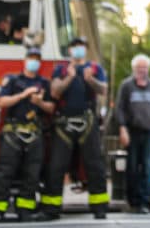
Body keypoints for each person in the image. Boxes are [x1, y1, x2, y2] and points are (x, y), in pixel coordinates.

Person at [0, 48, 55, 222]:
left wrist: (40, 102)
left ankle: (25, 209)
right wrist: (22, 95)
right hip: (13, 133)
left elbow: (51, 108)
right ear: (24, 60)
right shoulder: (12, 80)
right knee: (4, 171)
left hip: (34, 132)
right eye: (31, 58)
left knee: (32, 174)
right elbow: (1, 102)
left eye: (37, 59)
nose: (34, 61)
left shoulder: (44, 83)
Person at [44, 37, 109, 220]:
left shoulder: (95, 69)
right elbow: (54, 91)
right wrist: (70, 77)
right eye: (74, 47)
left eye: (81, 46)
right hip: (64, 123)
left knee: (95, 165)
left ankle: (99, 207)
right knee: (57, 166)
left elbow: (104, 90)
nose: (78, 50)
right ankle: (51, 208)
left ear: (85, 49)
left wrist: (90, 80)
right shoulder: (61, 69)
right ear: (70, 50)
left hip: (87, 122)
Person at [115, 54, 150, 214]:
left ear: (148, 69)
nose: (142, 70)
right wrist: (122, 128)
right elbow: (120, 108)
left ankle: (144, 202)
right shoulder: (126, 86)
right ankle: (132, 201)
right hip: (132, 131)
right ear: (134, 69)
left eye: (144, 67)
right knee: (132, 167)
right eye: (139, 68)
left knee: (147, 167)